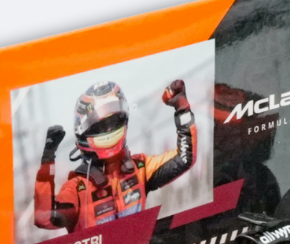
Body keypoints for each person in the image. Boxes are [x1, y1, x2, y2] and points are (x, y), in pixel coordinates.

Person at [34, 79, 196, 232]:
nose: (109, 129)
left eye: (113, 122)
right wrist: (48, 161)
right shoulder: (78, 187)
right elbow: (45, 218)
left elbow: (184, 159)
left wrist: (182, 108)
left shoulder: (139, 168)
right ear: (84, 131)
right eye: (102, 126)